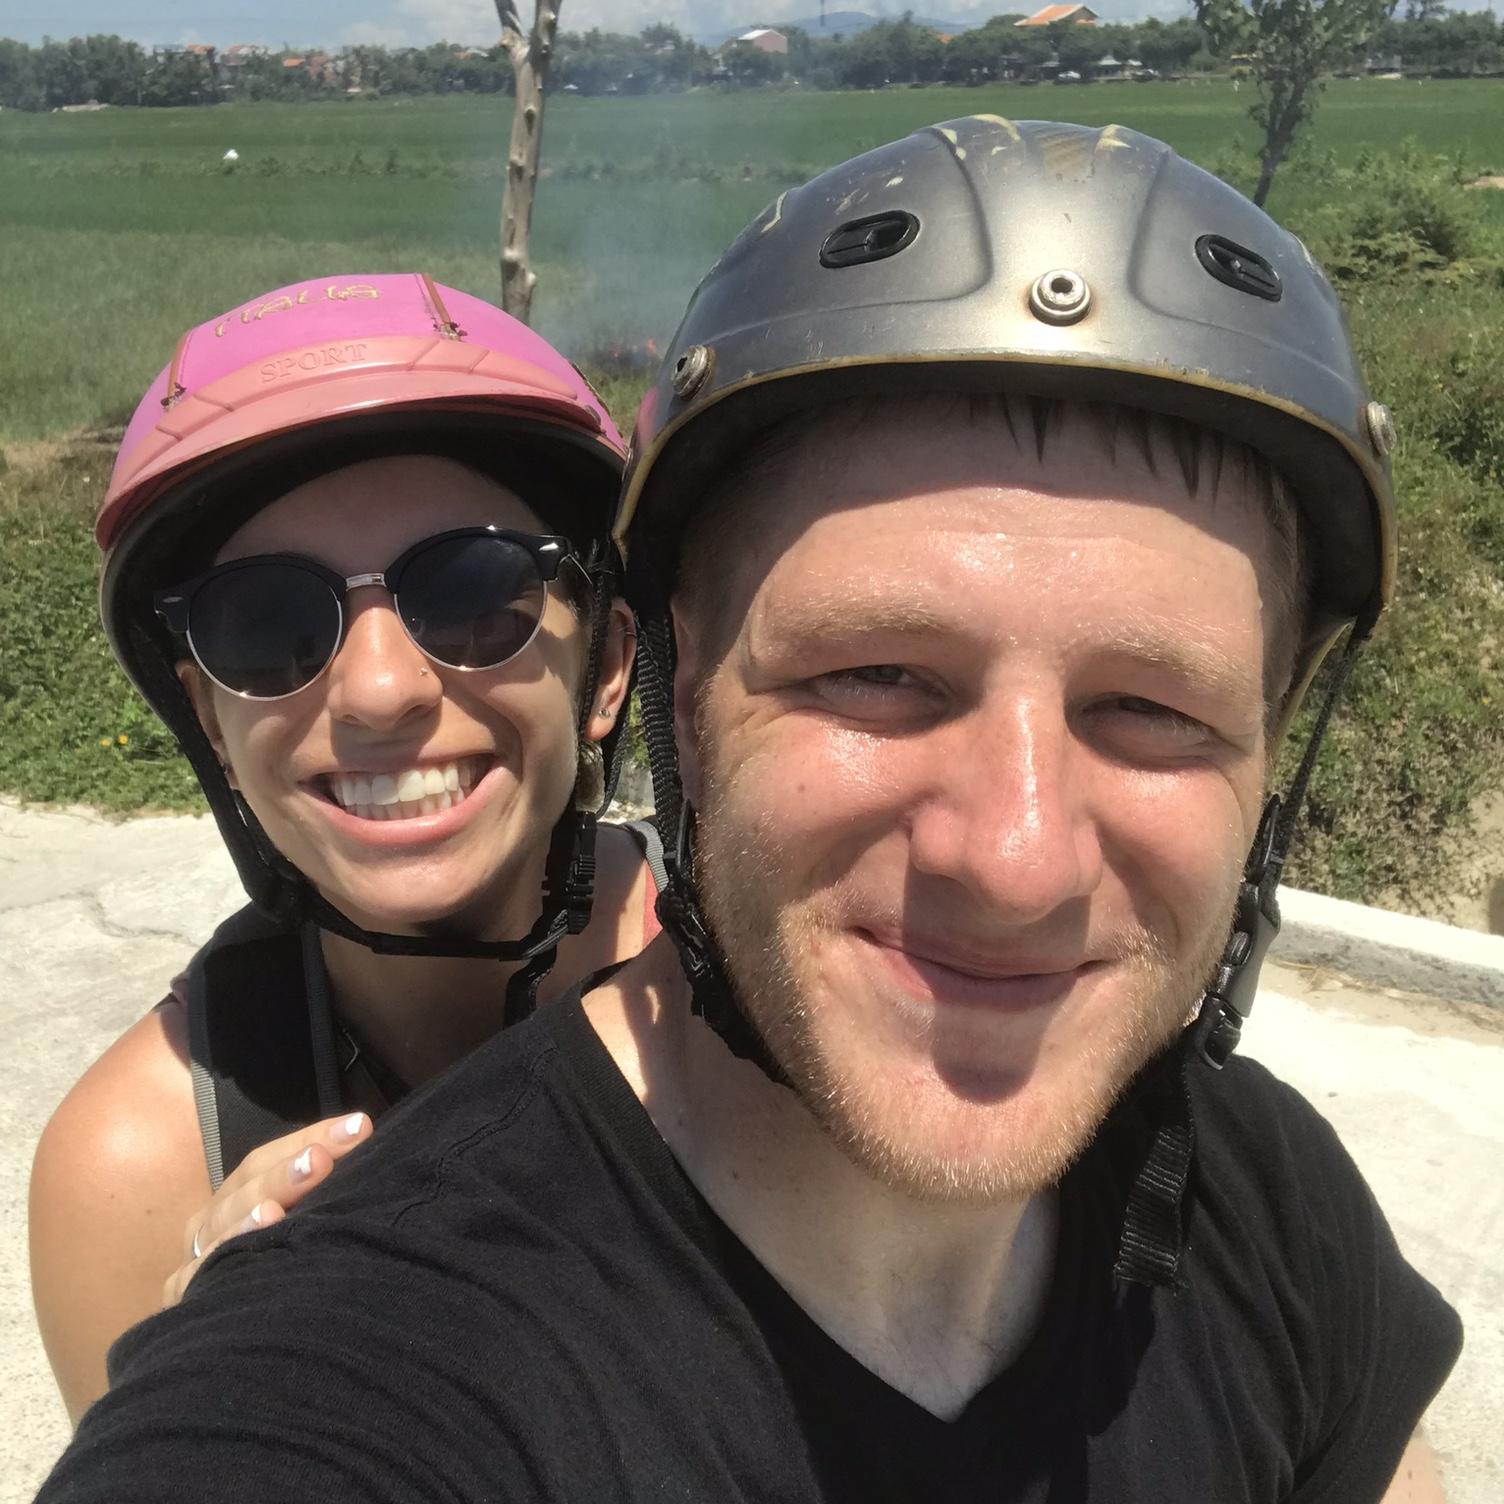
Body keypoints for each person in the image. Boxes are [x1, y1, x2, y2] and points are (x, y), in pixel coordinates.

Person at [37, 122, 1461, 1502]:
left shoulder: (1261, 1197)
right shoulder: (282, 1297)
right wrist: (252, 1327)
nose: (381, 693)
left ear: (612, 675)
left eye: (1156, 711)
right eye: (877, 676)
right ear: (685, 707)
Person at [28, 274, 657, 1425]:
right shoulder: (139, 1169)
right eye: (265, 623)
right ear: (209, 718)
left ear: (608, 666)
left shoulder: (792, 997)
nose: (377, 691)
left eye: (476, 592)